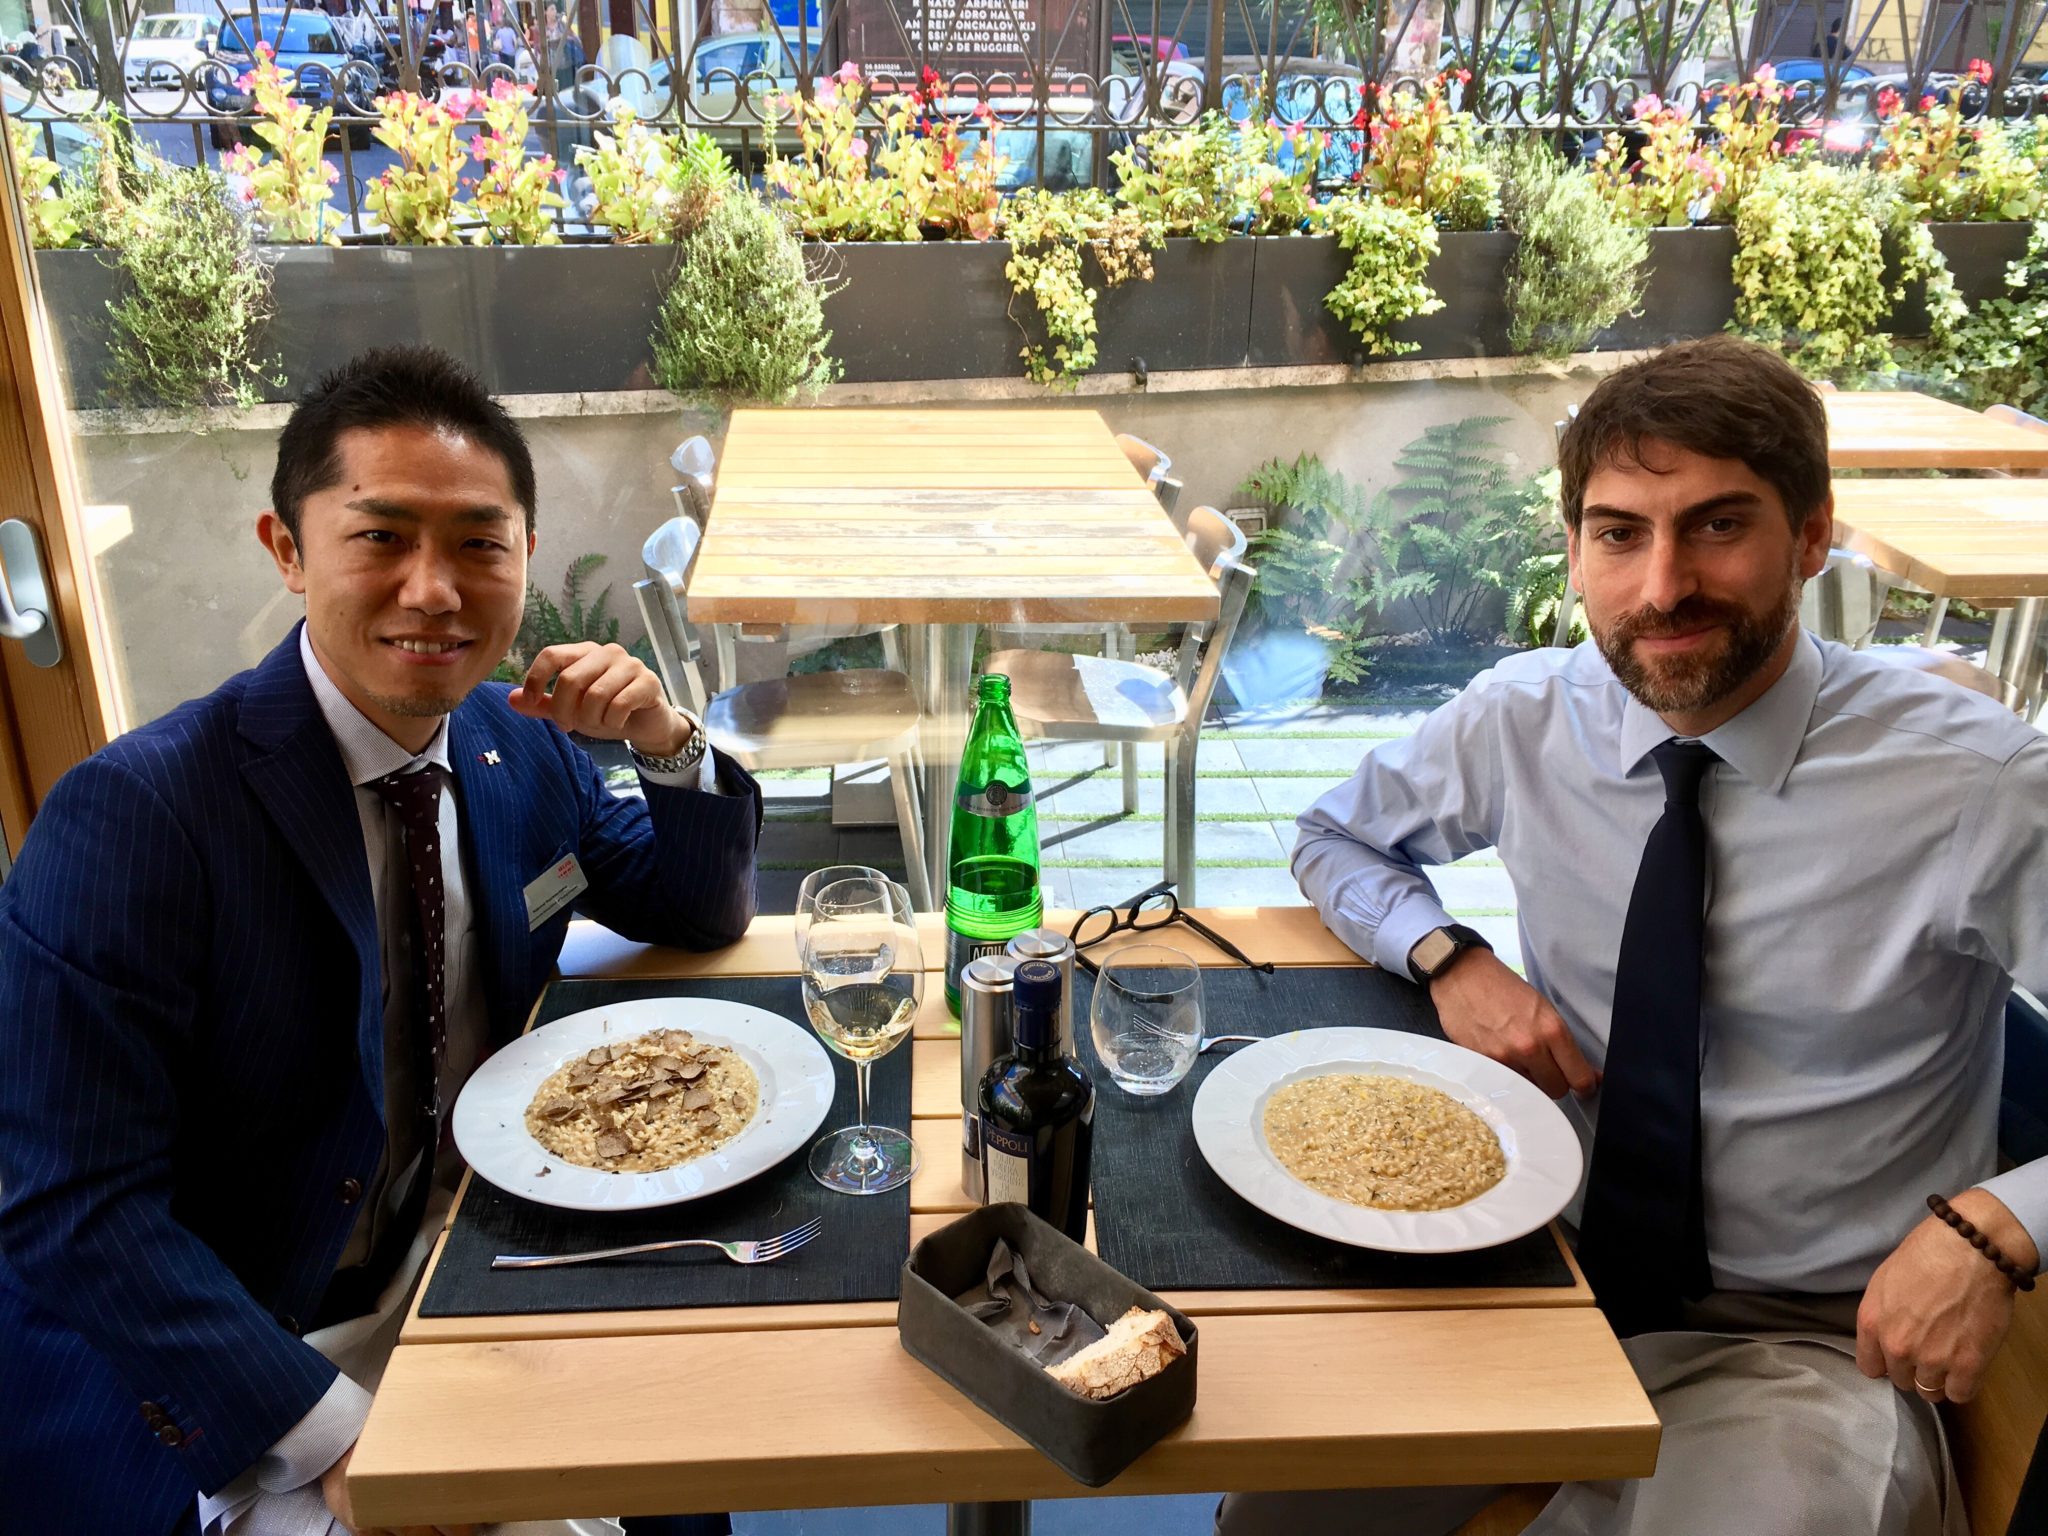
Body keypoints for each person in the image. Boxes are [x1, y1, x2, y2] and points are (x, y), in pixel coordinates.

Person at [1222, 335, 2047, 1536]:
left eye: (1717, 526)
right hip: (1532, 1263)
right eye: (1618, 534)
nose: (1662, 587)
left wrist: (1999, 1228)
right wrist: (1448, 957)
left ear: (1810, 536)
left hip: (1807, 1338)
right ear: (1573, 552)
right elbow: (1332, 836)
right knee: (1273, 1513)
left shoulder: (1977, 785)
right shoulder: (1524, 717)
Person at [0, 345, 762, 1536]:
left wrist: (667, 743)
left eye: (478, 544)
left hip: (470, 1254)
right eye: (380, 537)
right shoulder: (142, 814)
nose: (433, 590)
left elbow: (695, 910)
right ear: (287, 550)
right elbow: (73, 1206)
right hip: (247, 1343)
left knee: (692, 1440)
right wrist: (335, 1441)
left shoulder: (518, 748)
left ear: (524, 556)